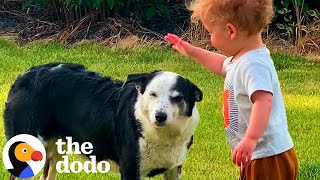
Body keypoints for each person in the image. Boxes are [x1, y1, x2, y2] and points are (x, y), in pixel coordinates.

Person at [164, 0, 299, 179]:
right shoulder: (242, 59)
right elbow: (222, 65)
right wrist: (191, 51)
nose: (210, 38)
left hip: (267, 155)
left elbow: (263, 101)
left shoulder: (254, 64)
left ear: (231, 31)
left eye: (211, 32)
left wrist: (250, 139)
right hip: (258, 154)